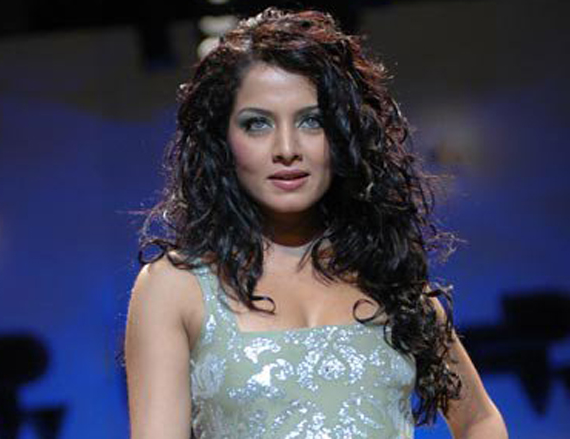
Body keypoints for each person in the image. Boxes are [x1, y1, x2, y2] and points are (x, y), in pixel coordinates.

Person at [123, 7, 508, 439]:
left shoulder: (389, 279)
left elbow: (480, 420)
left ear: (342, 134)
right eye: (257, 124)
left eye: (312, 121)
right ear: (222, 140)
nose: (287, 148)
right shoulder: (177, 288)